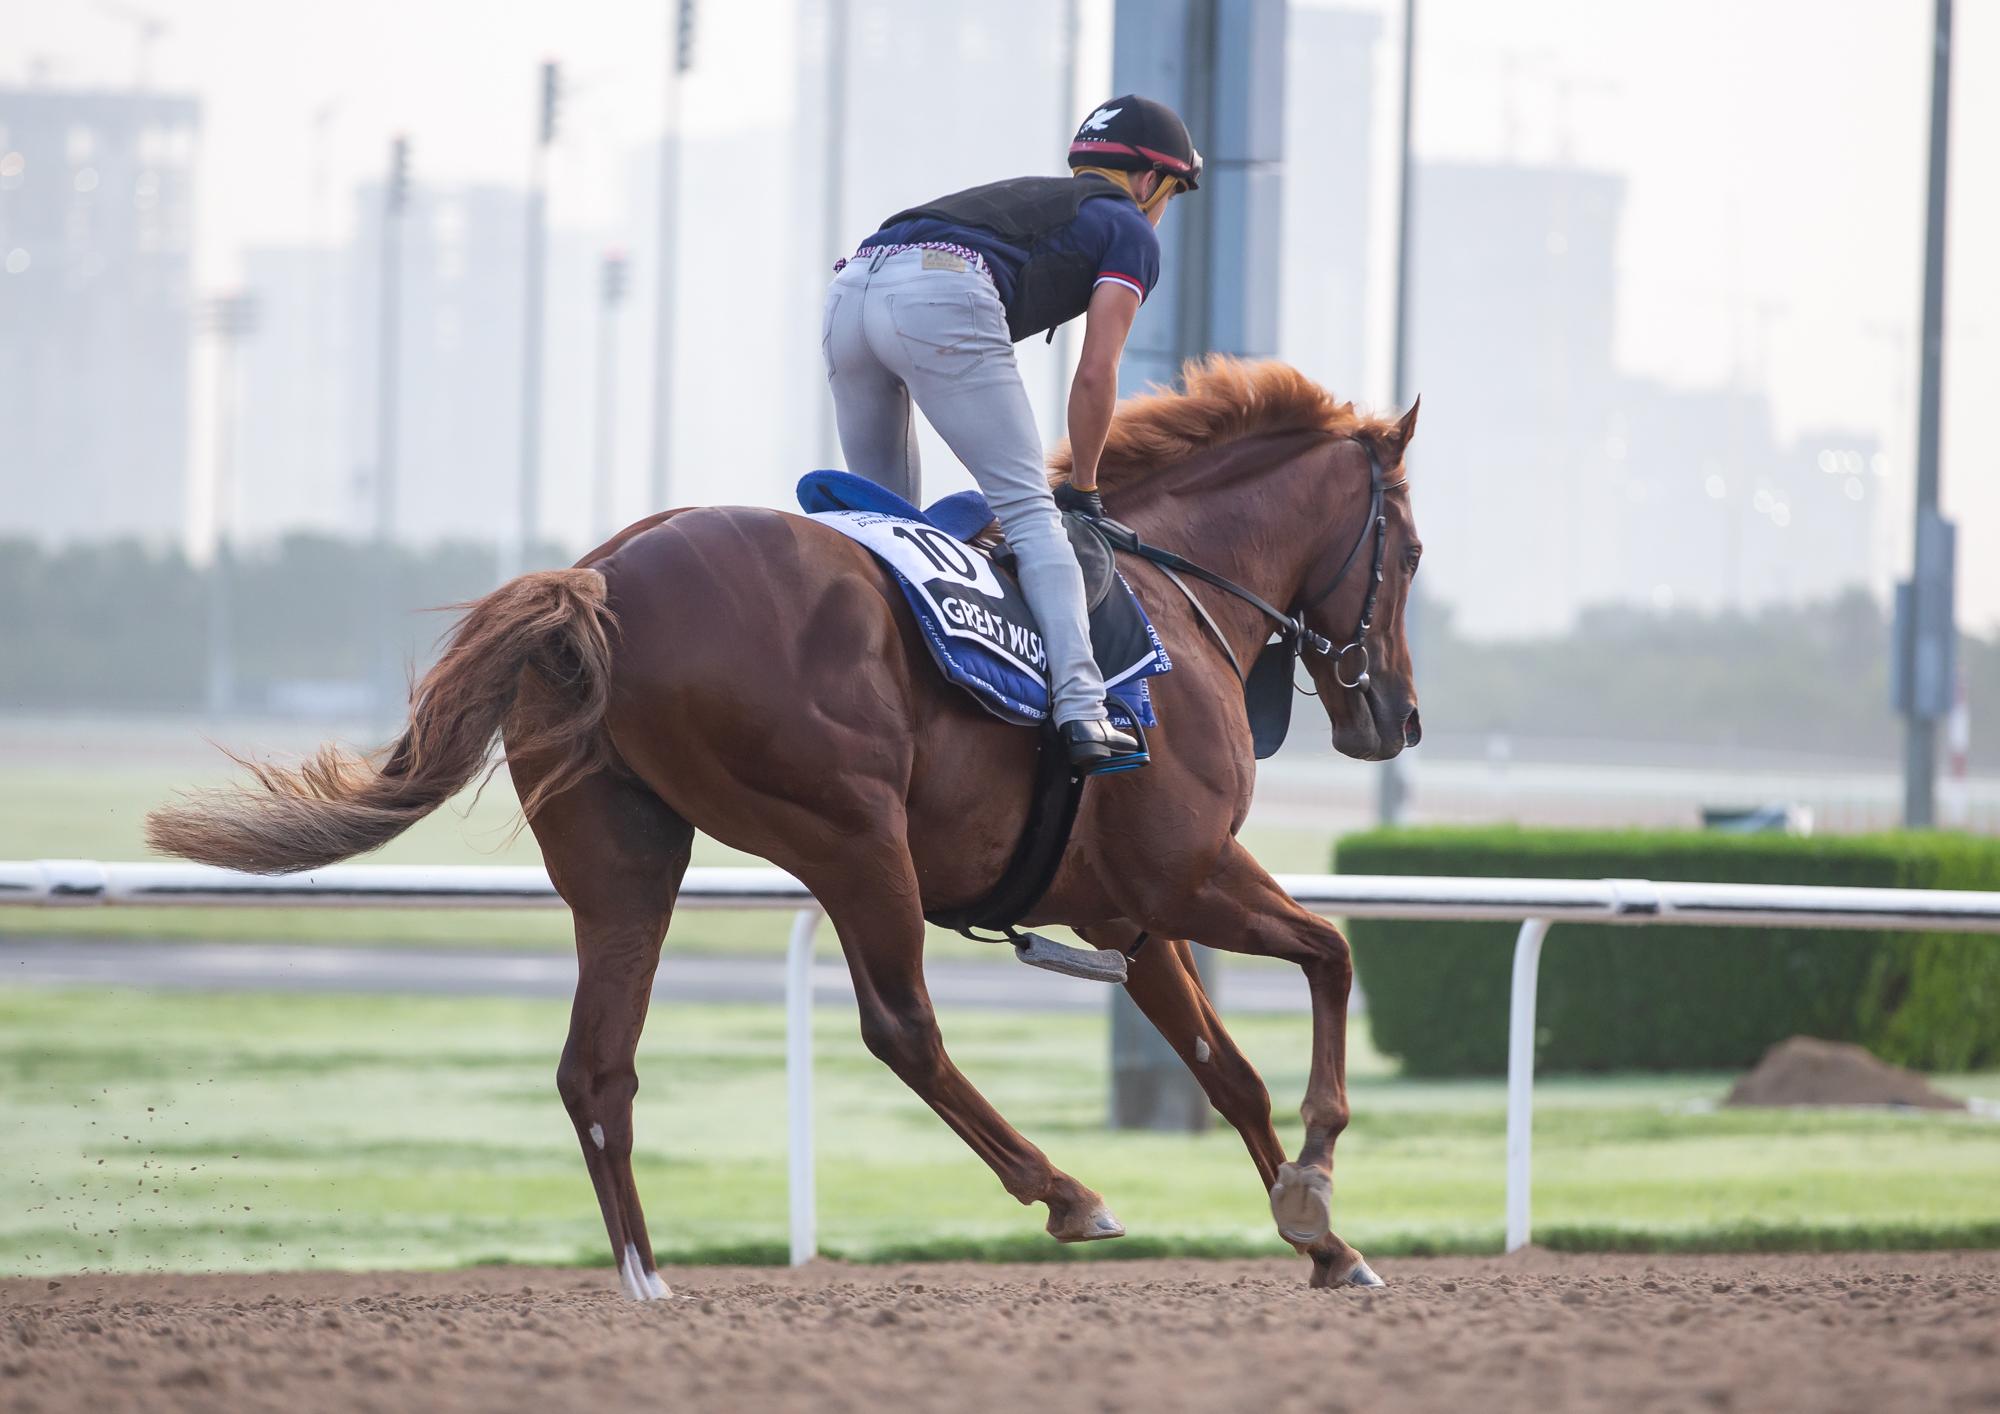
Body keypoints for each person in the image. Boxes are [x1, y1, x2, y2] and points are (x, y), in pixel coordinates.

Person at [822, 95, 1200, 774]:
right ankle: (1084, 712)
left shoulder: (1031, 199)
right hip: (937, 292)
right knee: (1035, 516)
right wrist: (1083, 485)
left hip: (851, 287)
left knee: (881, 525)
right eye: (1172, 192)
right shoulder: (1132, 229)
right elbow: (1095, 375)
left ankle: (862, 685)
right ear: (1150, 181)